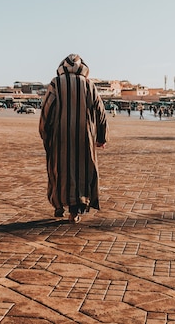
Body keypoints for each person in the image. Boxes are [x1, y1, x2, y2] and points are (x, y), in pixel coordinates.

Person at [39, 54, 108, 224]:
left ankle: (59, 205)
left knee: (59, 170)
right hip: (84, 137)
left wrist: (45, 135)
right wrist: (101, 137)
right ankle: (75, 210)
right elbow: (100, 111)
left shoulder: (56, 83)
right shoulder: (88, 84)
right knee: (82, 172)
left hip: (59, 136)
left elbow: (46, 112)